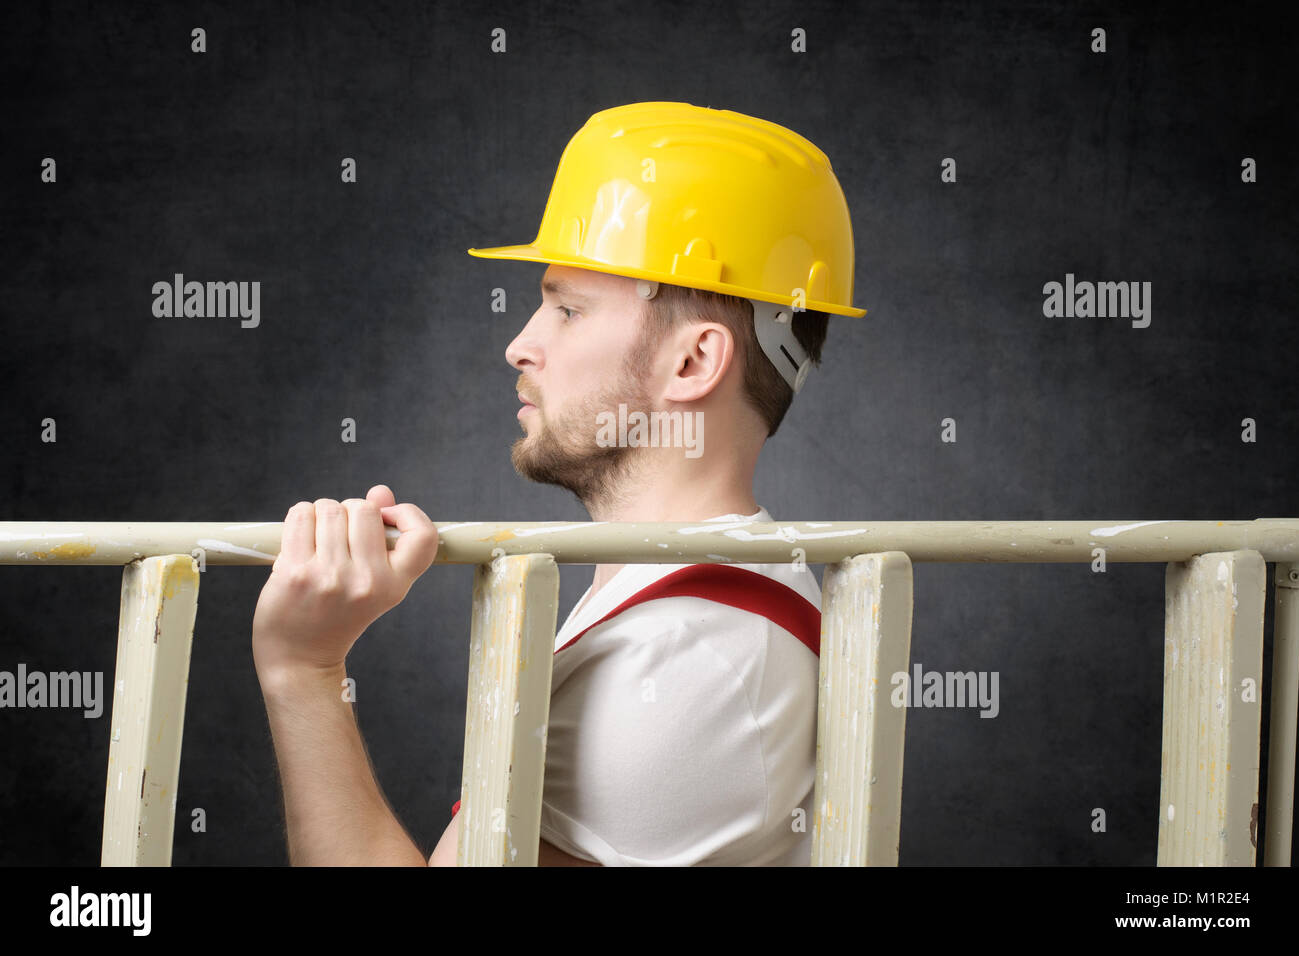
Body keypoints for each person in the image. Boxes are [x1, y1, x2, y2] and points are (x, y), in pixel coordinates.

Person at [251, 101, 866, 866]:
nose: (519, 346)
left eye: (569, 310)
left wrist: (302, 671)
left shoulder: (683, 657)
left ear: (693, 363)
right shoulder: (687, 611)